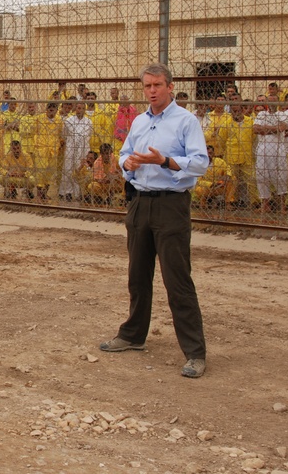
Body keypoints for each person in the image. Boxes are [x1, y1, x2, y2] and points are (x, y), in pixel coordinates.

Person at [99, 63, 209, 379]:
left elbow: (200, 163)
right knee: (137, 274)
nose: (152, 90)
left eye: (158, 85)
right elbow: (124, 154)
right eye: (147, 85)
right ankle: (133, 335)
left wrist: (164, 160)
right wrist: (128, 163)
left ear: (169, 87)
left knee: (177, 280)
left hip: (171, 206)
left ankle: (195, 353)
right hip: (139, 203)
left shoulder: (185, 121)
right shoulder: (139, 121)